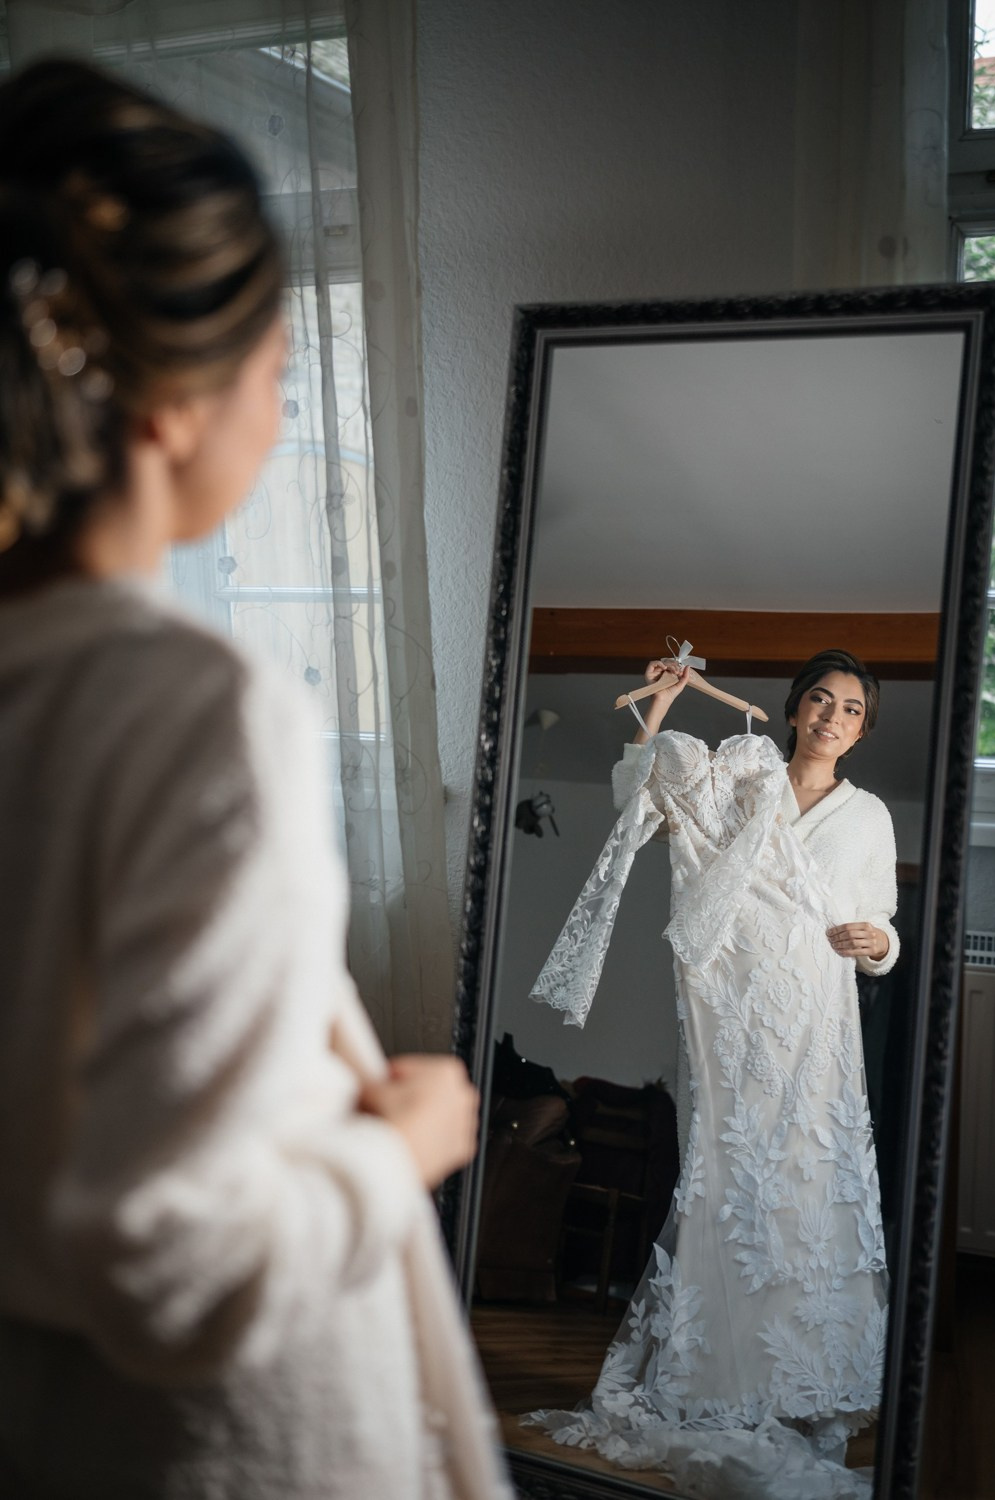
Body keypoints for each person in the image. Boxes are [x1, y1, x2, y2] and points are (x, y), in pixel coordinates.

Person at [0, 58, 510, 1500]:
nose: (283, 418)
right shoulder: (189, 707)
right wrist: (400, 1149)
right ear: (167, 404)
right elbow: (175, 1256)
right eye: (278, 377)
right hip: (223, 1441)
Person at [526, 648, 898, 1496]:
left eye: (849, 709)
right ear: (794, 708)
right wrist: (655, 711)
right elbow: (644, 802)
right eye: (819, 701)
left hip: (814, 1018)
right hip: (732, 1013)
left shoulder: (867, 816)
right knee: (730, 1183)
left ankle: (798, 1378)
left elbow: (879, 920)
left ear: (862, 729)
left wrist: (879, 944)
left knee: (805, 1182)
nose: (831, 717)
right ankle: (717, 1376)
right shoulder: (744, 781)